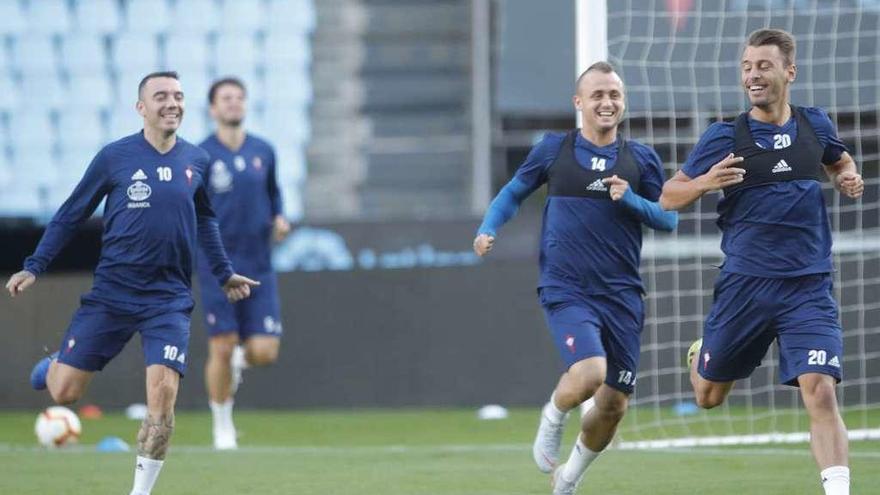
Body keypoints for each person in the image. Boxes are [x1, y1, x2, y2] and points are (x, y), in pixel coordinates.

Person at [4, 71, 259, 495]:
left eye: (178, 96)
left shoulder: (195, 160)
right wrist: (35, 264)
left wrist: (223, 270)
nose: (172, 103)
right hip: (112, 295)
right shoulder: (114, 158)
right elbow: (71, 213)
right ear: (141, 107)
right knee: (64, 392)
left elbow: (206, 219)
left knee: (161, 403)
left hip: (168, 301)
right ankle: (53, 368)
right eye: (161, 96)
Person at [660, 29, 863, 495]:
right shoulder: (724, 136)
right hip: (745, 287)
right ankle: (701, 353)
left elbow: (839, 160)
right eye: (747, 66)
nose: (753, 74)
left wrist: (847, 176)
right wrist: (704, 184)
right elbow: (669, 196)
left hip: (807, 287)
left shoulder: (816, 125)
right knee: (708, 397)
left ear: (789, 72)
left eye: (763, 66)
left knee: (821, 389)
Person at [473, 62, 678, 495]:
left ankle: (568, 478)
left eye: (615, 95)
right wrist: (489, 226)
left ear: (623, 102)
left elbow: (668, 218)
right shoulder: (554, 150)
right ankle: (553, 414)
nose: (607, 102)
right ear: (579, 102)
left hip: (622, 295)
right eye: (598, 95)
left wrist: (631, 200)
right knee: (589, 373)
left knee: (613, 405)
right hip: (567, 288)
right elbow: (513, 192)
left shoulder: (641, 159)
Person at [197, 77, 290, 450]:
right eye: (226, 98)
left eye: (239, 97)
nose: (234, 103)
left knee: (264, 352)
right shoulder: (201, 155)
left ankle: (238, 362)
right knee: (221, 345)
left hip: (259, 264)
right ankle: (223, 425)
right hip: (217, 266)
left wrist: (280, 219)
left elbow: (275, 195)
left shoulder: (263, 151)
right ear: (213, 109)